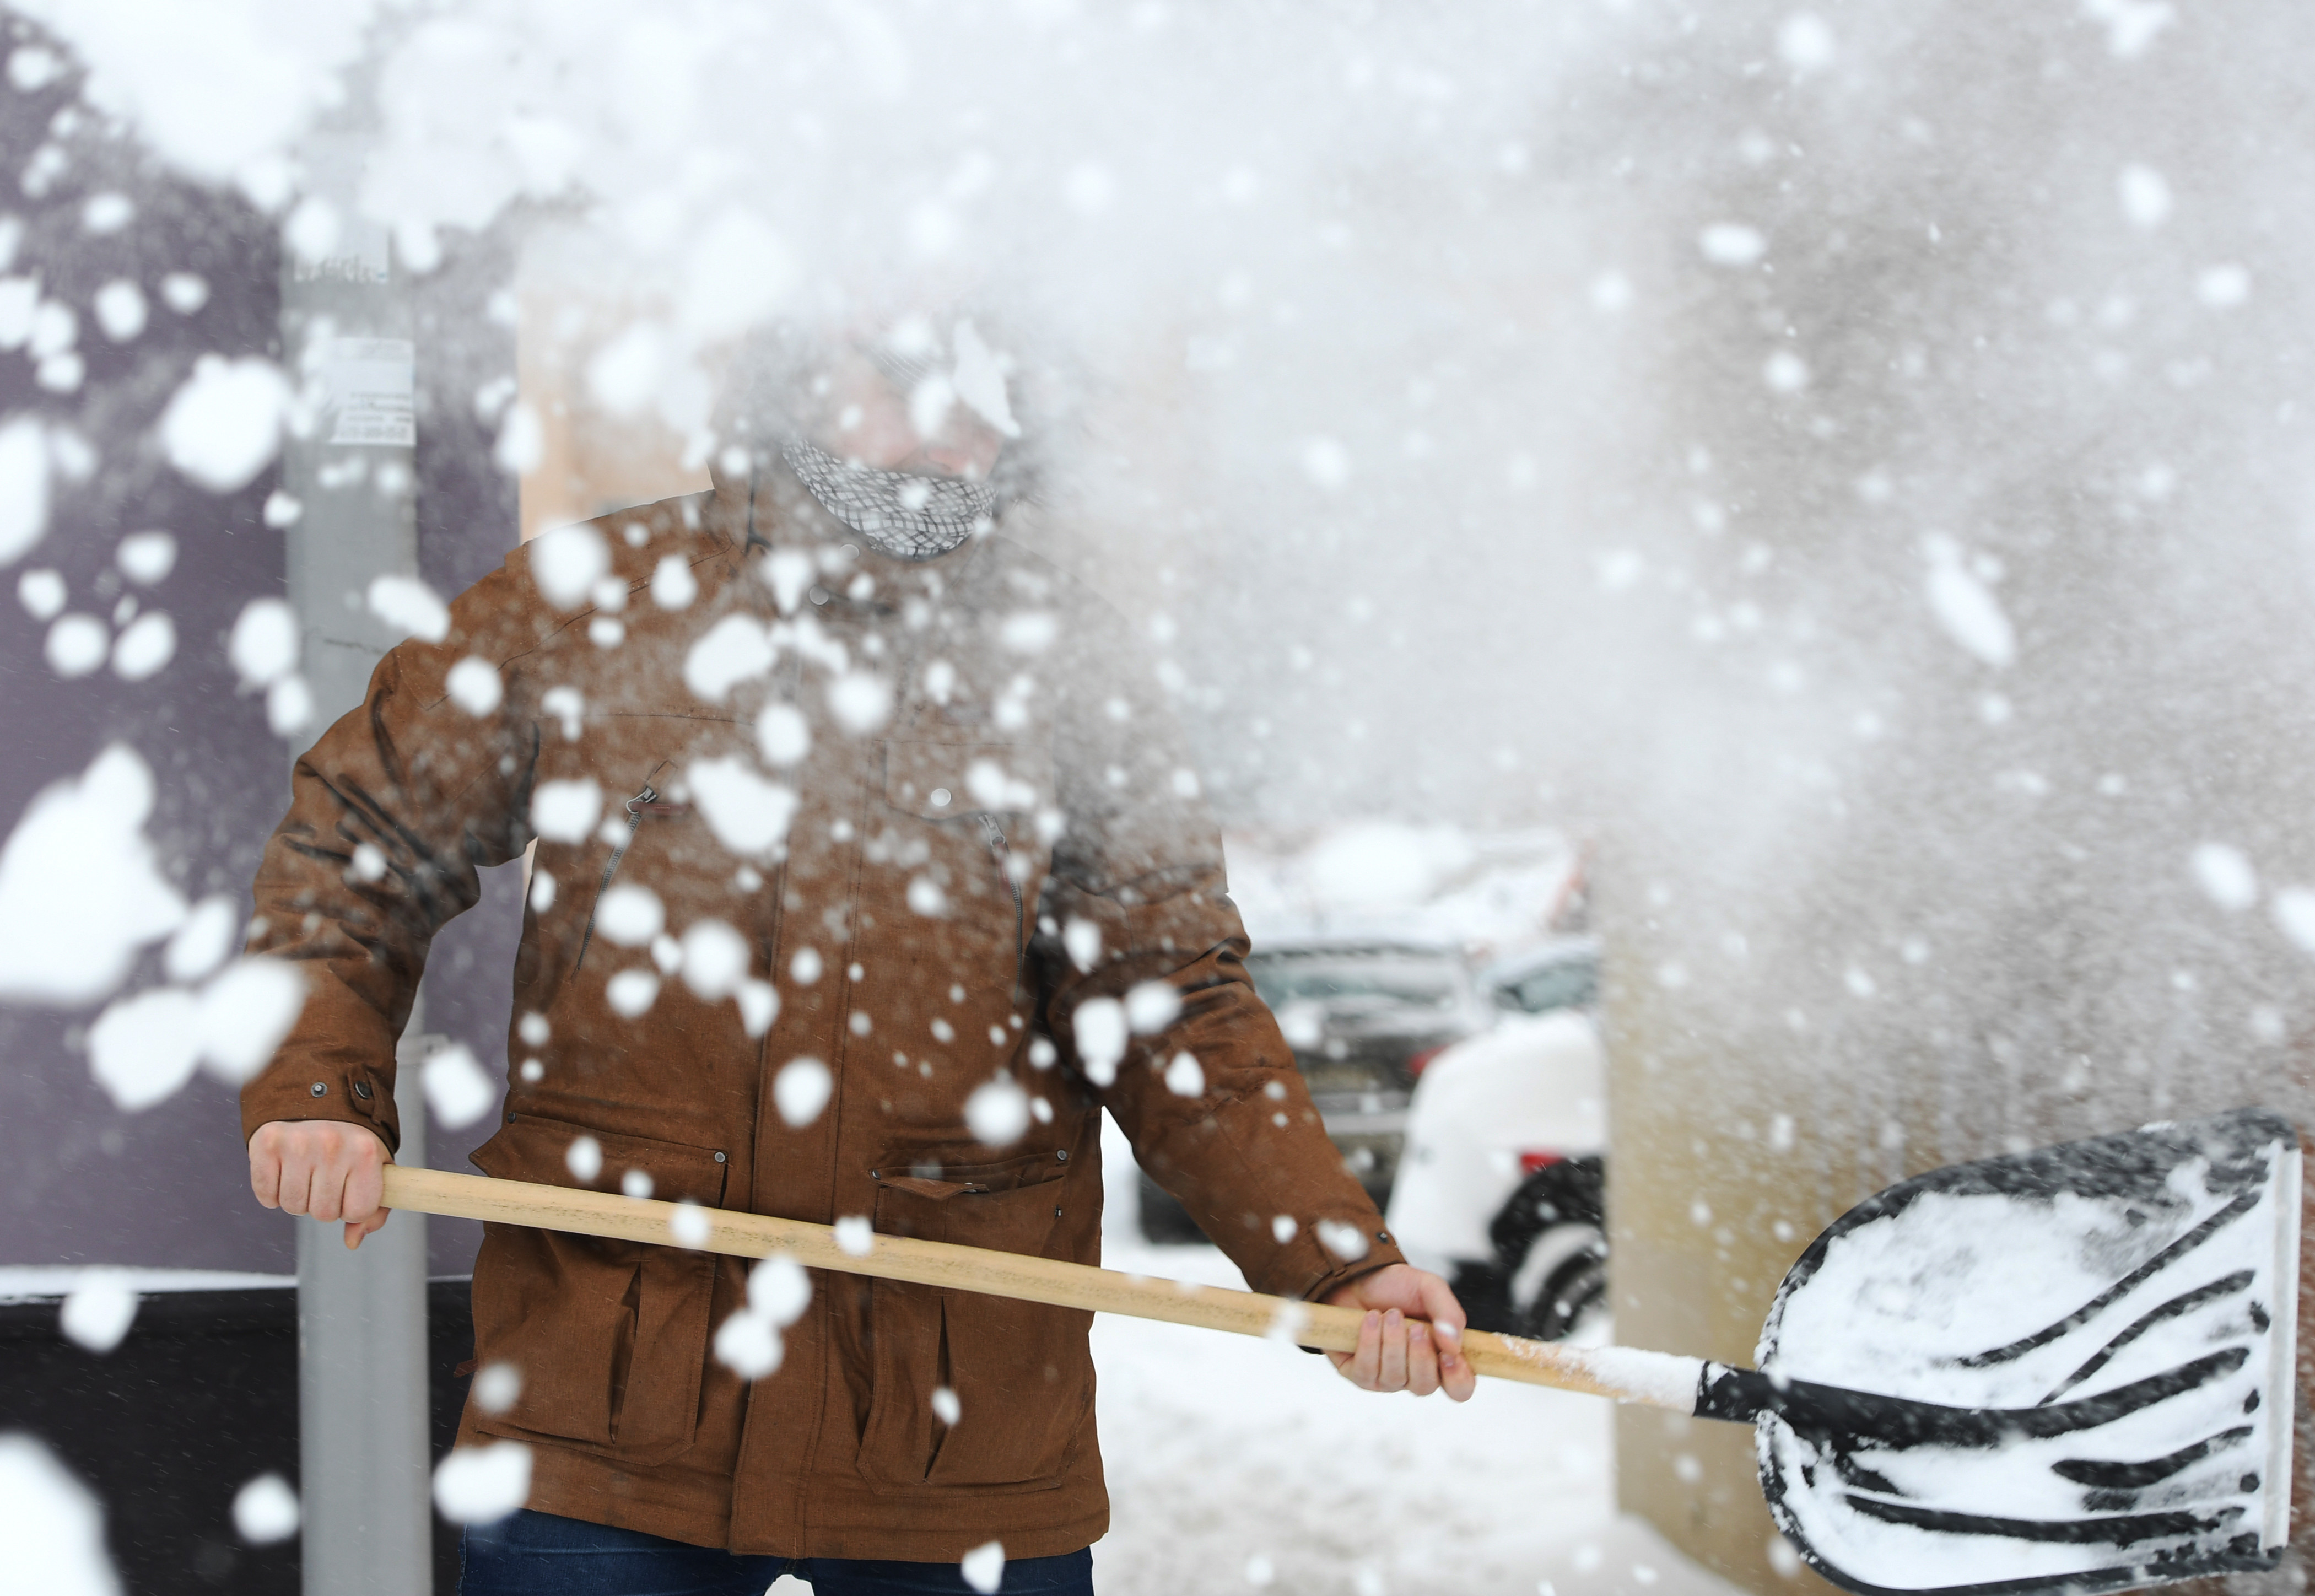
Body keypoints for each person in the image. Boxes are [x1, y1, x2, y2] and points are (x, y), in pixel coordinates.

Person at [241, 314, 1474, 1595]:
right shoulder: (596, 604)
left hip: (957, 1432)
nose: (948, 426)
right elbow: (357, 840)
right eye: (907, 377)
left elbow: (1172, 1005)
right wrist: (320, 1089)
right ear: (802, 375)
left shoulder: (1074, 665)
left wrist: (1341, 1259)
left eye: (991, 389)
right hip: (608, 1403)